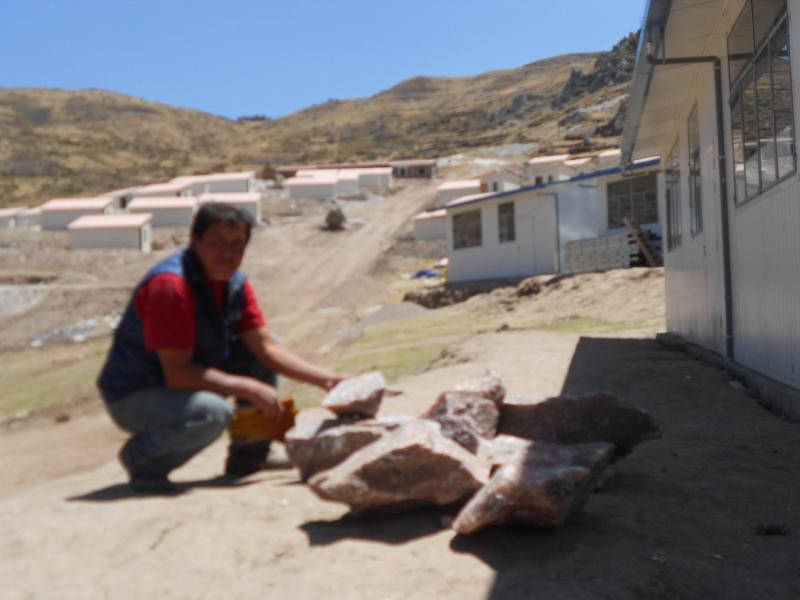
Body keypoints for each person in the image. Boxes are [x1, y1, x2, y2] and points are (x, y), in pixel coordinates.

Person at [97, 202, 343, 494]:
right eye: (216, 243)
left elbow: (266, 349)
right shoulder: (170, 287)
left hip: (183, 378)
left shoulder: (234, 284)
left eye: (237, 244)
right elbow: (178, 374)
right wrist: (250, 389)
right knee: (212, 413)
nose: (227, 254)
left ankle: (250, 456)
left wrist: (331, 381)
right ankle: (143, 460)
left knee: (260, 351)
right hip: (137, 394)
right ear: (194, 241)